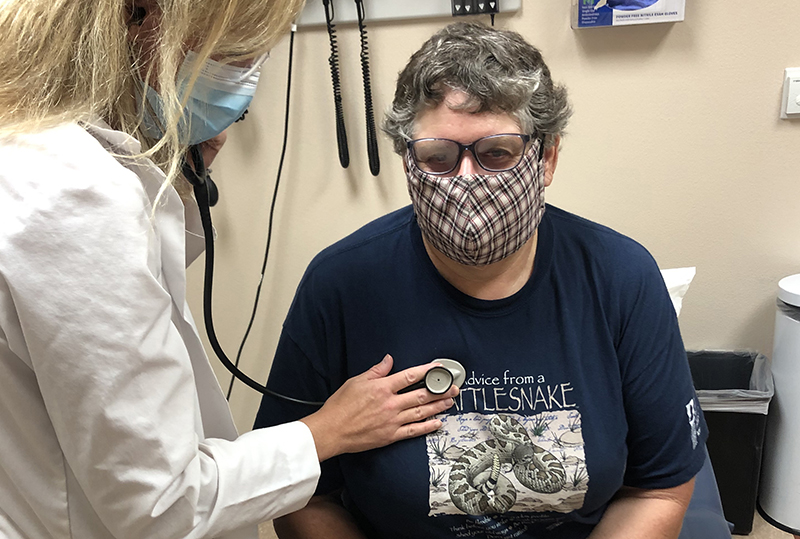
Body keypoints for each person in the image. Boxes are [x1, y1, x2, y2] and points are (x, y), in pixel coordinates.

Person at [0, 1, 458, 538]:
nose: (245, 88)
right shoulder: (74, 194)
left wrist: (177, 175)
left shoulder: (40, 156)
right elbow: (164, 505)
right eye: (235, 55)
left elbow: (104, 301)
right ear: (139, 18)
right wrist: (327, 432)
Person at [254, 21, 708, 539]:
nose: (467, 181)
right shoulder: (340, 284)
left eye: (497, 152)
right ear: (408, 162)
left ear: (547, 158)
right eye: (439, 158)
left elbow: (659, 487)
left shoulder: (621, 277)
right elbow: (297, 493)